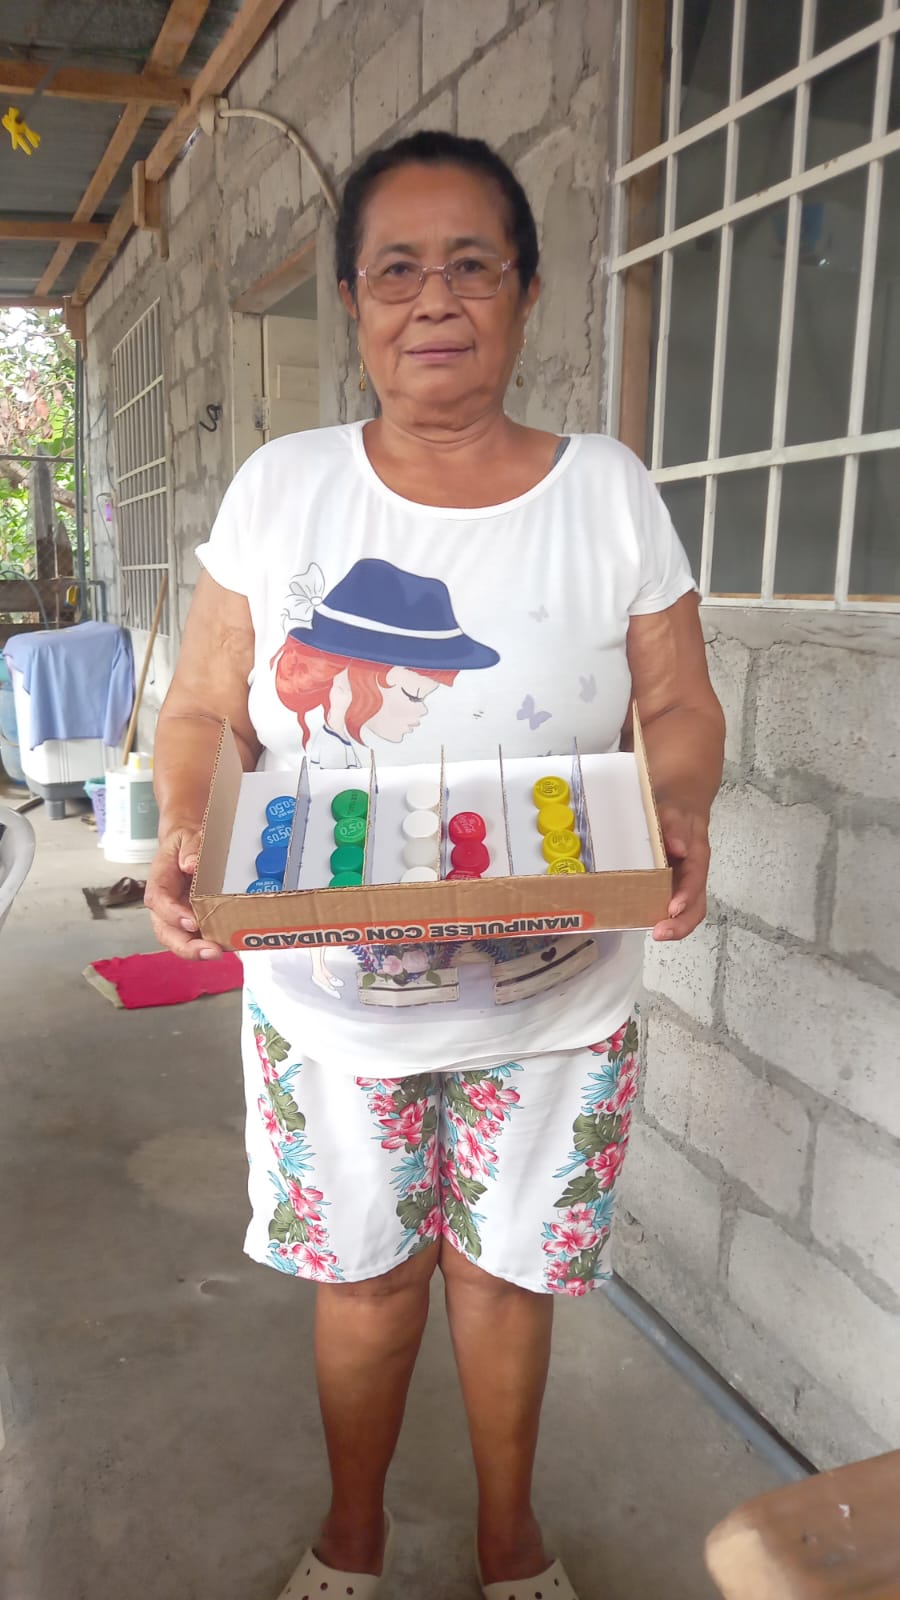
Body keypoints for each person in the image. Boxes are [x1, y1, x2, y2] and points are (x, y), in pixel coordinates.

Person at [147, 130, 725, 1600]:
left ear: (526, 290)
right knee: (367, 1279)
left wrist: (676, 807)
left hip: (555, 997)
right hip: (331, 1001)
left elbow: (677, 704)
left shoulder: (606, 492)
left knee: (505, 1278)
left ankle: (508, 1543)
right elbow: (207, 706)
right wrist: (185, 828)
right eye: (397, 269)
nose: (436, 299)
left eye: (473, 263)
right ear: (352, 300)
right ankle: (353, 1539)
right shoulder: (285, 489)